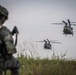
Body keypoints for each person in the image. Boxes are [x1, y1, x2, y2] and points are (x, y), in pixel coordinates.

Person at [0, 5, 20, 75]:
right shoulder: (4, 30)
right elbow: (10, 49)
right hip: (1, 60)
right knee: (16, 64)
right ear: (3, 18)